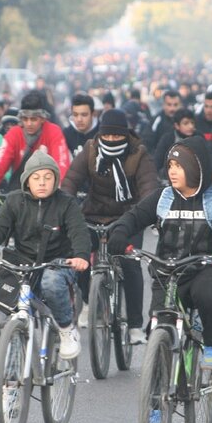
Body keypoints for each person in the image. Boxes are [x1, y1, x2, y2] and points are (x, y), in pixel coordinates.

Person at [108, 135, 212, 369]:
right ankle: (155, 397)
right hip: (167, 270)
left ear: (195, 168)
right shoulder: (162, 198)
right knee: (158, 326)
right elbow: (133, 217)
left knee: (208, 296)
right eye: (170, 166)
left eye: (179, 166)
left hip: (206, 268)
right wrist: (120, 233)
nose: (172, 172)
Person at [0, 150, 91, 358]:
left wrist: (81, 256)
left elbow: (79, 231)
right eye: (36, 177)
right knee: (10, 305)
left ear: (56, 180)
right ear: (27, 181)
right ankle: (12, 381)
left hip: (58, 262)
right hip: (24, 261)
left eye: (48, 177)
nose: (42, 182)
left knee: (51, 282)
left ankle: (66, 329)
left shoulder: (66, 203)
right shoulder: (14, 201)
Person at [61, 108, 159, 344]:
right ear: (101, 135)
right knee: (80, 256)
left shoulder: (139, 154)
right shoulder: (90, 150)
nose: (112, 140)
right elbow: (70, 181)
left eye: (117, 136)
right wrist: (65, 206)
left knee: (131, 264)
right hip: (93, 215)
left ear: (125, 135)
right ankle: (87, 302)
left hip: (129, 218)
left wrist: (146, 214)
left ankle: (135, 325)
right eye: (108, 136)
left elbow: (149, 189)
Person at [0, 91, 70, 194]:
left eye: (33, 119)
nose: (29, 124)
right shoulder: (14, 134)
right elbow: (0, 162)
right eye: (25, 119)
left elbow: (61, 162)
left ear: (43, 118)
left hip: (48, 189)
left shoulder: (53, 132)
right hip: (20, 191)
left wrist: (59, 188)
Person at [147, 90, 181, 154]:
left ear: (180, 105)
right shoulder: (157, 121)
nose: (172, 108)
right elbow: (147, 142)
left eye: (175, 105)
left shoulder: (187, 120)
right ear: (163, 105)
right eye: (169, 104)